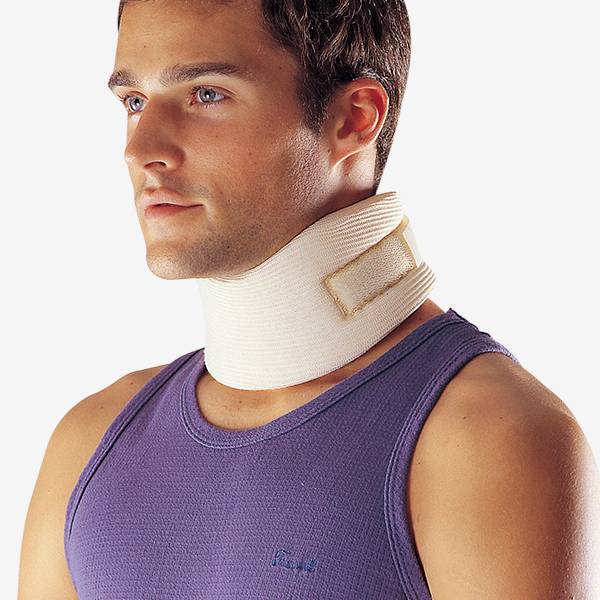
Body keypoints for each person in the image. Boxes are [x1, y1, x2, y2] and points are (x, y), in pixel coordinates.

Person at [18, 0, 600, 598]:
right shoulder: (88, 442)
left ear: (355, 118)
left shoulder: (488, 438)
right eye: (135, 102)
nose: (141, 149)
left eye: (206, 94)